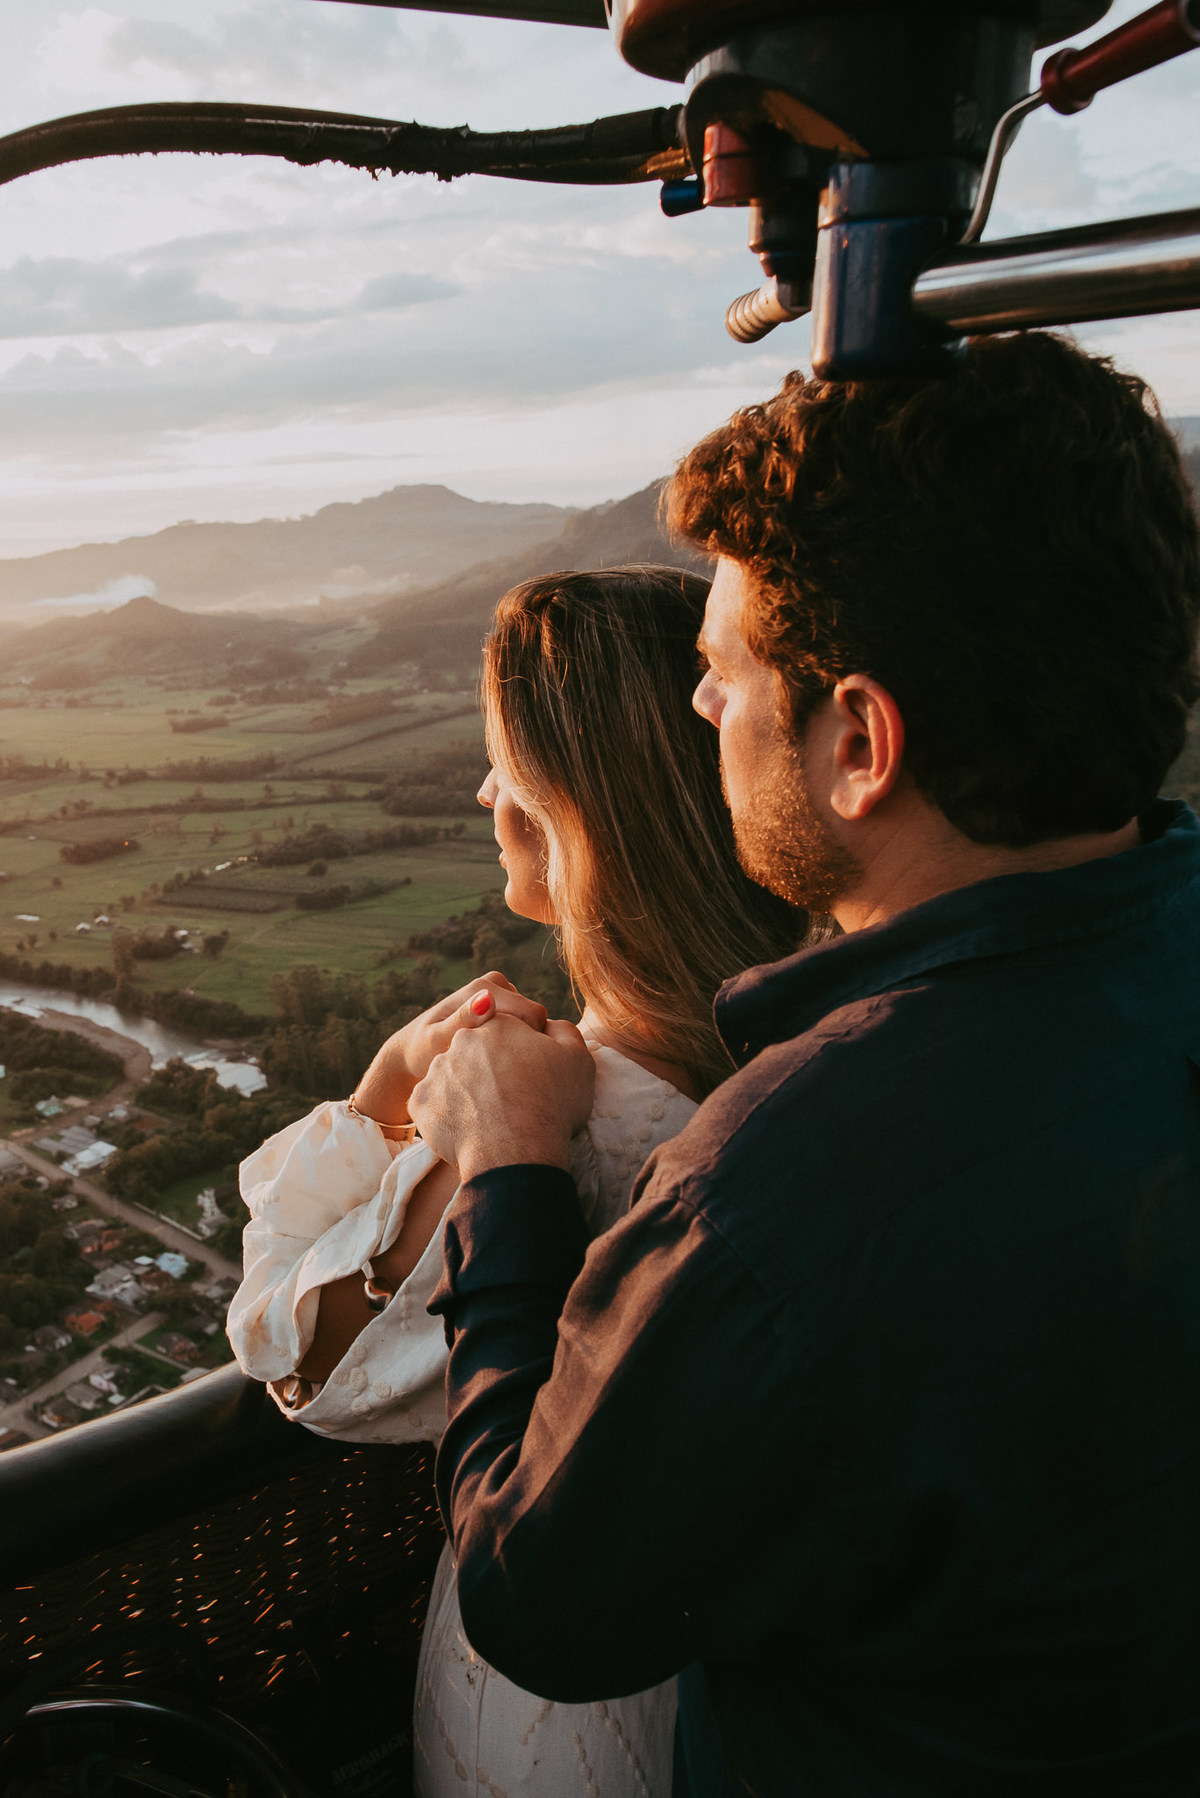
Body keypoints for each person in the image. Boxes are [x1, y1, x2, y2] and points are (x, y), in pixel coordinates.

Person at [407, 332, 1200, 1797]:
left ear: (858, 743)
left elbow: (539, 1595)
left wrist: (509, 1177)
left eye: (724, 676)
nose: (704, 710)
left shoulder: (784, 1183)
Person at [226, 565, 801, 1798]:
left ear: (567, 809)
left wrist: (378, 1098)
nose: (485, 792)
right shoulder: (806, 1062)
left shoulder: (539, 1120)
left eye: (504, 767)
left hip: (567, 1722)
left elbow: (298, 1362)